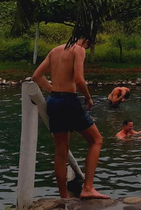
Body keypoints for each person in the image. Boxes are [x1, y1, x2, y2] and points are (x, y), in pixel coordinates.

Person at [32, 38, 108, 199]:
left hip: (53, 101)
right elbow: (79, 79)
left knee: (61, 150)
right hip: (69, 101)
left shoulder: (55, 50)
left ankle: (64, 196)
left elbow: (37, 76)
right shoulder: (79, 50)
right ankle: (88, 187)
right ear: (86, 40)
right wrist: (88, 97)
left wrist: (53, 88)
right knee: (96, 140)